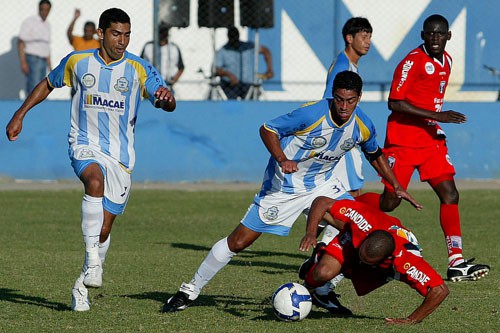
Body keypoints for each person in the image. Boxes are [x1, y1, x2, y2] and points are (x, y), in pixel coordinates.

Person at [161, 71, 421, 313]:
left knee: (357, 231)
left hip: (323, 184)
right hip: (284, 186)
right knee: (239, 241)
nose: (343, 107)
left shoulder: (362, 124)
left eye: (350, 101)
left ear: (359, 98)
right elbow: (268, 129)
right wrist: (282, 157)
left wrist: (396, 185)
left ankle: (322, 288)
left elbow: (374, 153)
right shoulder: (311, 114)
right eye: (339, 99)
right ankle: (190, 290)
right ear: (333, 95)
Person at [6, 8, 176, 312]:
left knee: (104, 230)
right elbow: (47, 83)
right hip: (84, 144)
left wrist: (166, 98)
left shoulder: (139, 68)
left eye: (126, 35)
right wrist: (20, 114)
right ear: (101, 33)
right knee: (93, 182)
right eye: (115, 33)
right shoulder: (78, 61)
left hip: (121, 157)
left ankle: (81, 284)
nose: (122, 41)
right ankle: (93, 263)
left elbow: (165, 100)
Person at [375, 14, 490, 281]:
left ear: (448, 36)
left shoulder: (446, 61)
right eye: (430, 33)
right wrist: (438, 116)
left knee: (450, 193)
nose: (435, 38)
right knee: (390, 203)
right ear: (423, 36)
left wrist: (434, 121)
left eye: (440, 33)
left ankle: (456, 262)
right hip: (402, 141)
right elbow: (394, 102)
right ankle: (352, 213)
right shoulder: (411, 62)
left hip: (430, 141)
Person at [299, 195, 449, 324]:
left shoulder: (406, 261)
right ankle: (308, 288)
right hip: (356, 238)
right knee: (322, 273)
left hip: (386, 266)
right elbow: (322, 202)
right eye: (361, 256)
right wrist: (311, 233)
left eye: (366, 261)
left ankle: (342, 269)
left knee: (360, 280)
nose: (361, 260)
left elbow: (440, 291)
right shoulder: (364, 220)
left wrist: (412, 319)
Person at [314, 17, 373, 299]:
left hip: (349, 144)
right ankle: (322, 270)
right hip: (344, 147)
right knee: (351, 207)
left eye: (369, 35)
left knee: (348, 207)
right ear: (348, 38)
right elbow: (333, 107)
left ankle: (322, 260)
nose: (368, 40)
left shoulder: (350, 65)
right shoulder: (342, 66)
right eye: (363, 35)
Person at [215, 26, 273, 100]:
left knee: (252, 104)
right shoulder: (223, 51)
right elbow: (216, 69)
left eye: (235, 36)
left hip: (248, 84)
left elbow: (265, 51)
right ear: (228, 37)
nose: (234, 39)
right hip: (231, 85)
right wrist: (228, 75)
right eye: (232, 36)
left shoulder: (247, 47)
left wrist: (269, 69)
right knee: (231, 106)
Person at [18, 0, 52, 95]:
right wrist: (23, 62)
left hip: (43, 60)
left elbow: (46, 46)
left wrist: (50, 64)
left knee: (42, 86)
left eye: (47, 10)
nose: (44, 12)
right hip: (33, 58)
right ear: (39, 9)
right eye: (42, 9)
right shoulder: (30, 22)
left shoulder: (47, 25)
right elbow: (21, 42)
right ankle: (31, 109)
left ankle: (40, 109)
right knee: (34, 86)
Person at [141, 23, 184, 93]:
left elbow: (181, 67)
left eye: (164, 33)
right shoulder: (148, 46)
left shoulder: (173, 48)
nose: (162, 36)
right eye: (161, 33)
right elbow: (140, 65)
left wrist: (173, 81)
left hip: (167, 85)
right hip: (150, 84)